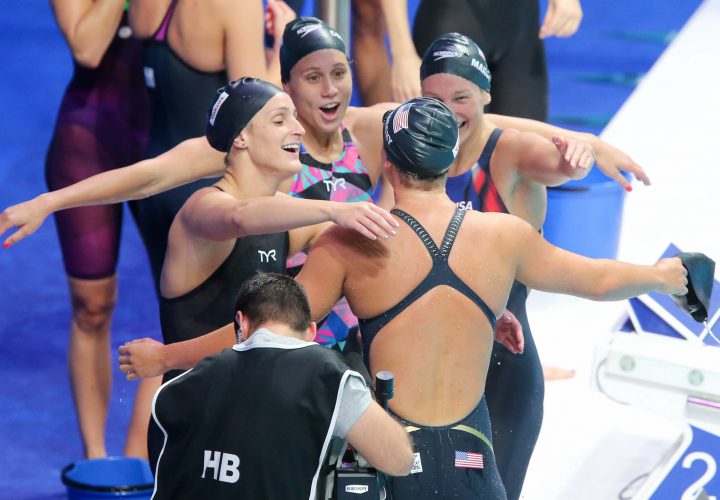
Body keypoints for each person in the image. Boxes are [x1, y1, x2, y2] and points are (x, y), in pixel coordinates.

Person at [115, 97, 688, 498]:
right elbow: (600, 280)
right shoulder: (503, 237)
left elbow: (269, 337)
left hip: (389, 460)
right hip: (473, 459)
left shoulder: (350, 244)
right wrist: (663, 276)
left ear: (388, 163)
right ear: (448, 161)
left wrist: (166, 358)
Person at [150, 272, 413, 499]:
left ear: (241, 322)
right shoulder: (330, 379)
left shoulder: (177, 389)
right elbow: (399, 460)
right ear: (311, 331)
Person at [125, 0, 296, 289]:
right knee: (232, 326)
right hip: (214, 195)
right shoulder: (237, 5)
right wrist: (283, 39)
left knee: (179, 320)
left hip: (155, 188)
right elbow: (256, 108)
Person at [44, 0, 150, 459]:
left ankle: (153, 454)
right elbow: (87, 46)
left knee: (190, 298)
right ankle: (96, 460)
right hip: (89, 140)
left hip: (166, 138)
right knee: (91, 305)